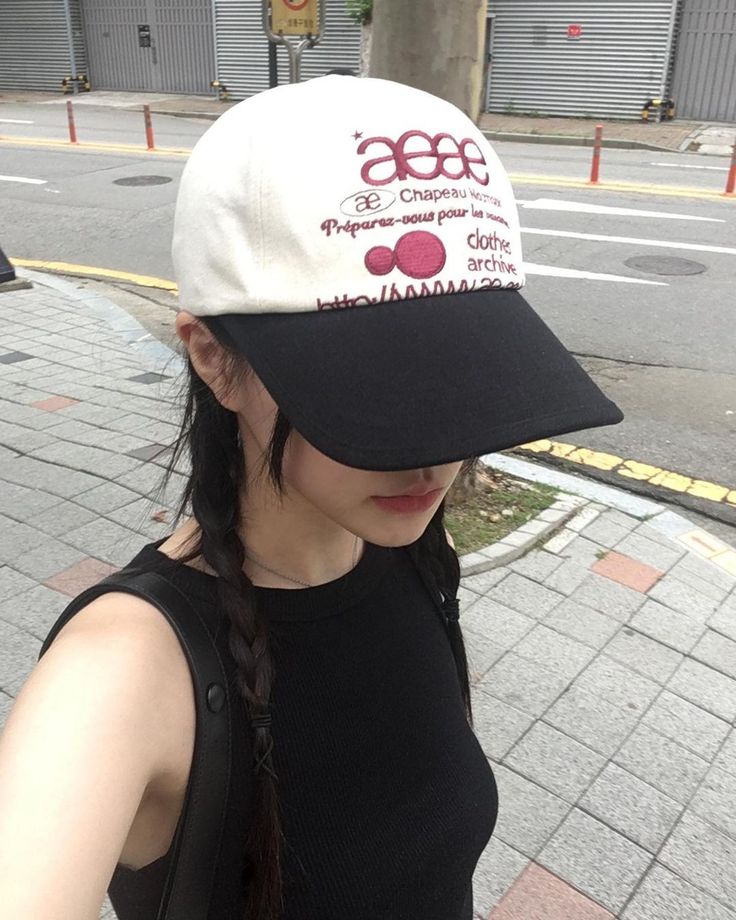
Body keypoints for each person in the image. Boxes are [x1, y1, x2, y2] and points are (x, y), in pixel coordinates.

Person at [0, 75, 622, 920]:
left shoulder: (411, 558)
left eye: (463, 375)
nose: (435, 452)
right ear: (215, 358)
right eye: (373, 391)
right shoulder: (125, 670)